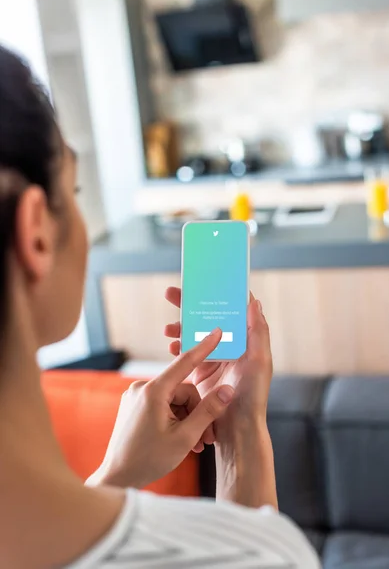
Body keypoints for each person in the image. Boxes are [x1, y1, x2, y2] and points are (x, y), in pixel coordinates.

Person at [0, 43, 320, 569]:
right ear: (36, 233)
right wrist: (241, 433)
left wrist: (111, 478)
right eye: (75, 190)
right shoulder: (254, 555)